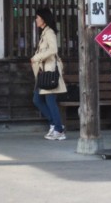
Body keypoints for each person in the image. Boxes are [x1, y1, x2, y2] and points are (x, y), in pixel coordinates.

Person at [30, 7, 67, 140]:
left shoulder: (49, 33)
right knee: (37, 99)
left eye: (37, 17)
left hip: (49, 73)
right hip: (43, 73)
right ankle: (54, 124)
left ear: (43, 19)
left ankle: (58, 129)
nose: (36, 20)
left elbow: (53, 49)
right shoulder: (45, 33)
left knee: (50, 101)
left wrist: (37, 57)